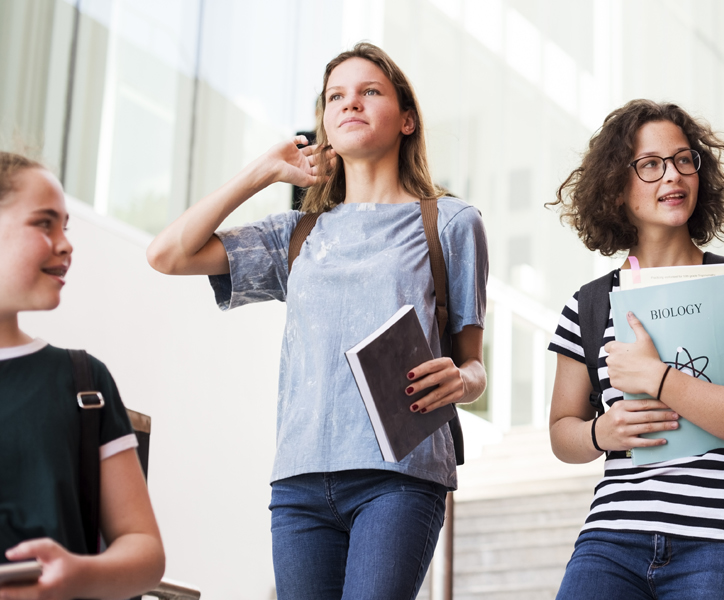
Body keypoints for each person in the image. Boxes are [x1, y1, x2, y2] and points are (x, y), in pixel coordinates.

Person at [145, 43, 489, 598]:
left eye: (369, 91)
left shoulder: (450, 223)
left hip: (398, 477)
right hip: (299, 484)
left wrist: (463, 380)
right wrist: (262, 171)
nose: (350, 103)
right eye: (336, 96)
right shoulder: (297, 234)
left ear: (406, 119)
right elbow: (168, 255)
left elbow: (474, 365)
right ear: (323, 125)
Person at [545, 99, 724, 600]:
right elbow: (561, 433)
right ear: (615, 188)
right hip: (611, 539)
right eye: (650, 165)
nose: (672, 176)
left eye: (683, 160)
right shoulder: (589, 306)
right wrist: (601, 432)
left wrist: (658, 378)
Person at [0, 152, 166, 599]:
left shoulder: (84, 382)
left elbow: (144, 551)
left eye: (65, 226)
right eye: (43, 223)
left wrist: (76, 575)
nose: (65, 244)